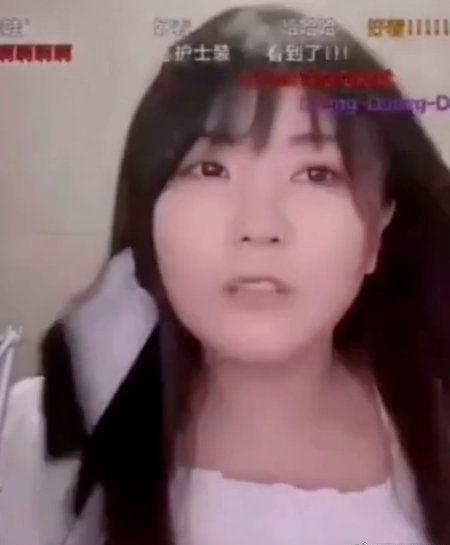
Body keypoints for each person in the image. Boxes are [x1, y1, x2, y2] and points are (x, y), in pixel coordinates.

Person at [1, 4, 450, 545]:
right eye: (210, 168)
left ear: (379, 230)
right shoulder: (40, 436)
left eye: (317, 173)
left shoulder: (436, 428)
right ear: (150, 213)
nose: (259, 226)